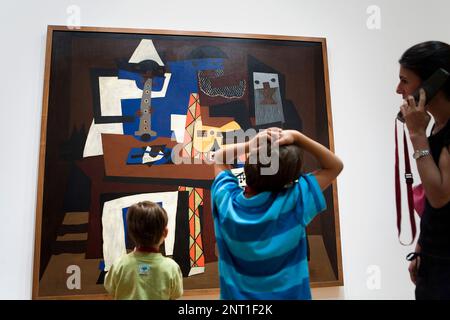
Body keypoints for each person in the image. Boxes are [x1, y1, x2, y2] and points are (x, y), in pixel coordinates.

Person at [211, 128, 343, 299]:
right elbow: (335, 166)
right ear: (290, 181)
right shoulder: (295, 200)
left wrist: (250, 144)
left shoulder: (226, 203)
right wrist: (297, 136)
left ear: (247, 168)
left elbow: (220, 156)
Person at [396, 41, 450, 299]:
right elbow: (431, 198)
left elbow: (440, 196)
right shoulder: (438, 125)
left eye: (404, 81)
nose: (398, 89)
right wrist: (420, 247)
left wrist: (417, 133)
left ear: (434, 81)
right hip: (433, 255)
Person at [104, 201, 183, 300]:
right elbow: (175, 294)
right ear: (165, 233)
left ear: (131, 233)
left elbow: (110, 288)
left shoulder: (119, 265)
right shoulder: (172, 267)